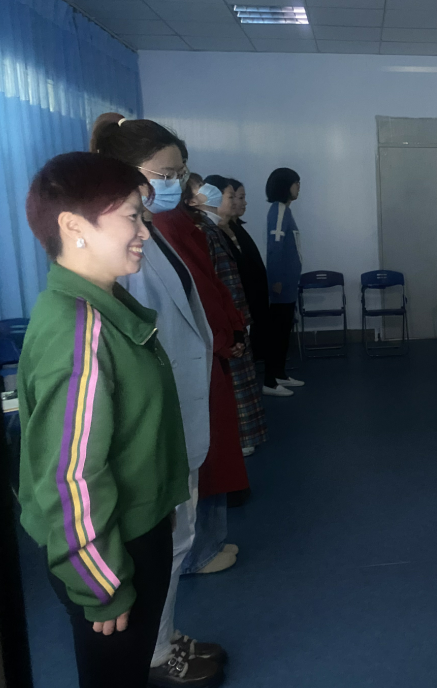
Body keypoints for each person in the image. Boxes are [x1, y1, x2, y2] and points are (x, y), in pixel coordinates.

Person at [19, 152, 190, 688]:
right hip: (110, 551)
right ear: (74, 227)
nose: (144, 231)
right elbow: (70, 479)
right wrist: (103, 586)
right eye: (132, 217)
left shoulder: (101, 308)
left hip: (128, 529)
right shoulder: (81, 332)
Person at [90, 114, 226, 686]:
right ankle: (152, 652)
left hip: (176, 416)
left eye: (179, 173)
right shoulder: (116, 247)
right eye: (163, 174)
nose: (174, 184)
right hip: (153, 426)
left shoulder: (152, 230)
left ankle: (161, 636)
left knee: (176, 539)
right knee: (160, 545)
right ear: (124, 173)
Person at [151, 177, 249, 581]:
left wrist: (231, 328)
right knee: (201, 460)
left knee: (213, 451)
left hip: (208, 349)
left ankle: (210, 540)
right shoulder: (165, 228)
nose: (180, 184)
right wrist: (225, 336)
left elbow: (211, 286)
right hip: (193, 353)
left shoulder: (181, 225)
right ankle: (198, 551)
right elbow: (200, 296)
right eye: (168, 173)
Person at [190, 174, 268, 460]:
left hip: (237, 315)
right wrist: (230, 324)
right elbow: (216, 283)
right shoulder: (205, 232)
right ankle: (240, 437)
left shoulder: (218, 229)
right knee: (234, 380)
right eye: (231, 196)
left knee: (243, 379)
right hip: (228, 319)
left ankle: (246, 434)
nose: (237, 202)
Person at [264, 167, 305, 396]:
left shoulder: (286, 211)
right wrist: (276, 279)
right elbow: (274, 247)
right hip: (281, 285)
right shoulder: (278, 210)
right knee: (276, 333)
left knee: (284, 331)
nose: (298, 187)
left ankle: (280, 373)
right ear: (285, 186)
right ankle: (270, 381)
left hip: (289, 284)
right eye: (296, 183)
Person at [226, 179, 269, 363]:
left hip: (252, 299)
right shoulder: (220, 232)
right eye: (239, 197)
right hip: (240, 303)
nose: (244, 203)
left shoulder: (237, 229)